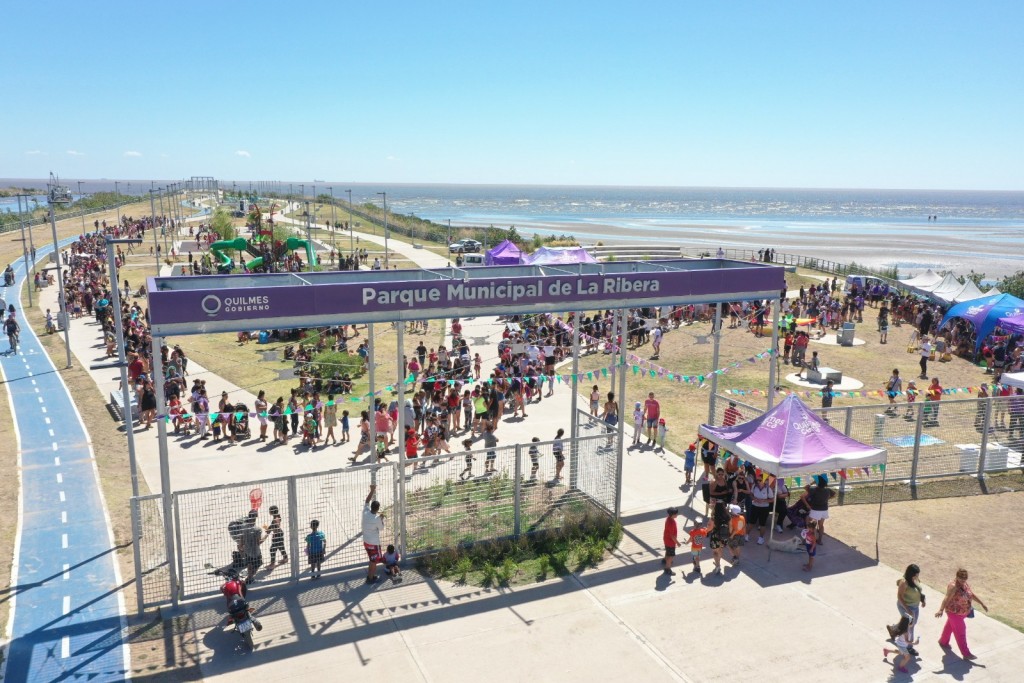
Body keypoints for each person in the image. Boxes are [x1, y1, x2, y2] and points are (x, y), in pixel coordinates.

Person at [935, 568, 988, 660]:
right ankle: (966, 654)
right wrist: (941, 610)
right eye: (961, 579)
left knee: (950, 626)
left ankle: (943, 642)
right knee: (961, 633)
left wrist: (981, 603)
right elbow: (946, 598)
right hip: (954, 613)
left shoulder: (965, 584)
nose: (963, 581)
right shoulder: (953, 586)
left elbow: (971, 594)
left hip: (962, 612)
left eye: (965, 579)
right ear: (957, 577)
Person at [888, 564, 925, 654]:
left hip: (915, 606)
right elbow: (899, 596)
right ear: (910, 574)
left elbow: (918, 590)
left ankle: (893, 629)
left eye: (918, 574)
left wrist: (923, 600)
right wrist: (907, 609)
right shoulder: (904, 582)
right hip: (906, 606)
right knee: (910, 626)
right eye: (916, 574)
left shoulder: (915, 579)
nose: (917, 576)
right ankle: (909, 647)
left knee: (912, 623)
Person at [362, 485, 386, 584]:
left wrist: (372, 490)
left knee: (371, 560)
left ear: (371, 507)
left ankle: (370, 576)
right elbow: (381, 528)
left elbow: (367, 501)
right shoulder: (377, 519)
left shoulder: (365, 512)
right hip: (374, 544)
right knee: (374, 561)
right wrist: (382, 519)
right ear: (378, 508)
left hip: (366, 542)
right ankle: (370, 578)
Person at [803, 476, 835, 543]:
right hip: (824, 510)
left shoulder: (813, 490)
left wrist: (812, 483)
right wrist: (827, 499)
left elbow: (805, 487)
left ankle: (810, 539)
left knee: (809, 523)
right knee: (821, 525)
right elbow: (834, 494)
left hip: (815, 509)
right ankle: (820, 540)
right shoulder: (828, 490)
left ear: (818, 483)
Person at [662, 507, 680, 574]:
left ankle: (665, 560)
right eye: (676, 514)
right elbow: (672, 536)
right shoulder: (672, 523)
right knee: (671, 556)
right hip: (670, 542)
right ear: (672, 515)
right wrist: (677, 543)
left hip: (666, 539)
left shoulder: (668, 519)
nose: (677, 514)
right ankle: (667, 568)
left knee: (668, 551)